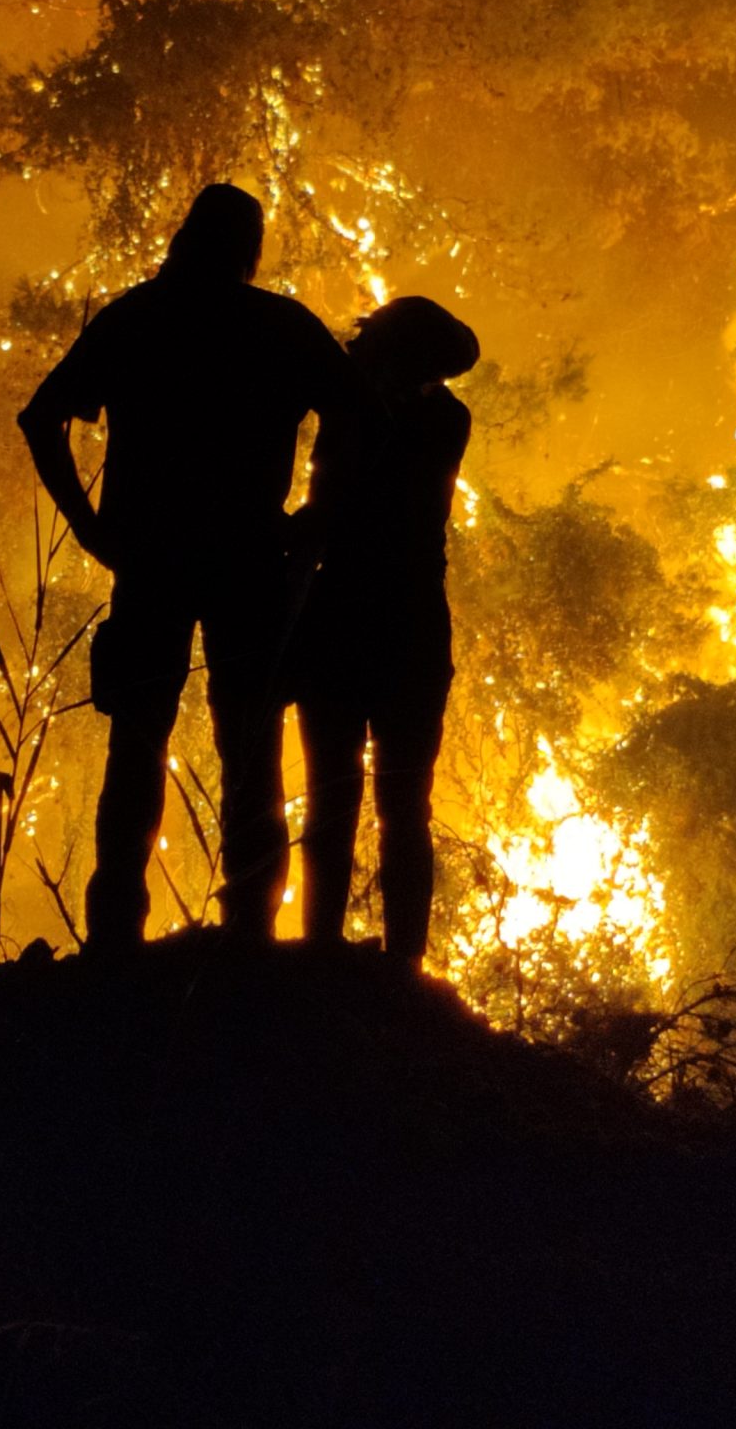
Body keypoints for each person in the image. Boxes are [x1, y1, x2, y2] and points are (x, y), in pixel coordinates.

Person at [19, 183, 372, 949]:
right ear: (250, 249)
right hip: (250, 558)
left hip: (150, 559)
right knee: (250, 746)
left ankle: (116, 940)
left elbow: (40, 417)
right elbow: (356, 413)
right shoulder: (278, 325)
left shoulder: (137, 318)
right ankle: (249, 932)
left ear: (184, 238)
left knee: (137, 743)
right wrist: (316, 511)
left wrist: (87, 526)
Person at [287, 295, 479, 967]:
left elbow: (325, 511)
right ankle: (397, 967)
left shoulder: (365, 414)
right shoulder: (445, 418)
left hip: (346, 618)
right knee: (397, 806)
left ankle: (326, 954)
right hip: (410, 626)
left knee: (339, 799)